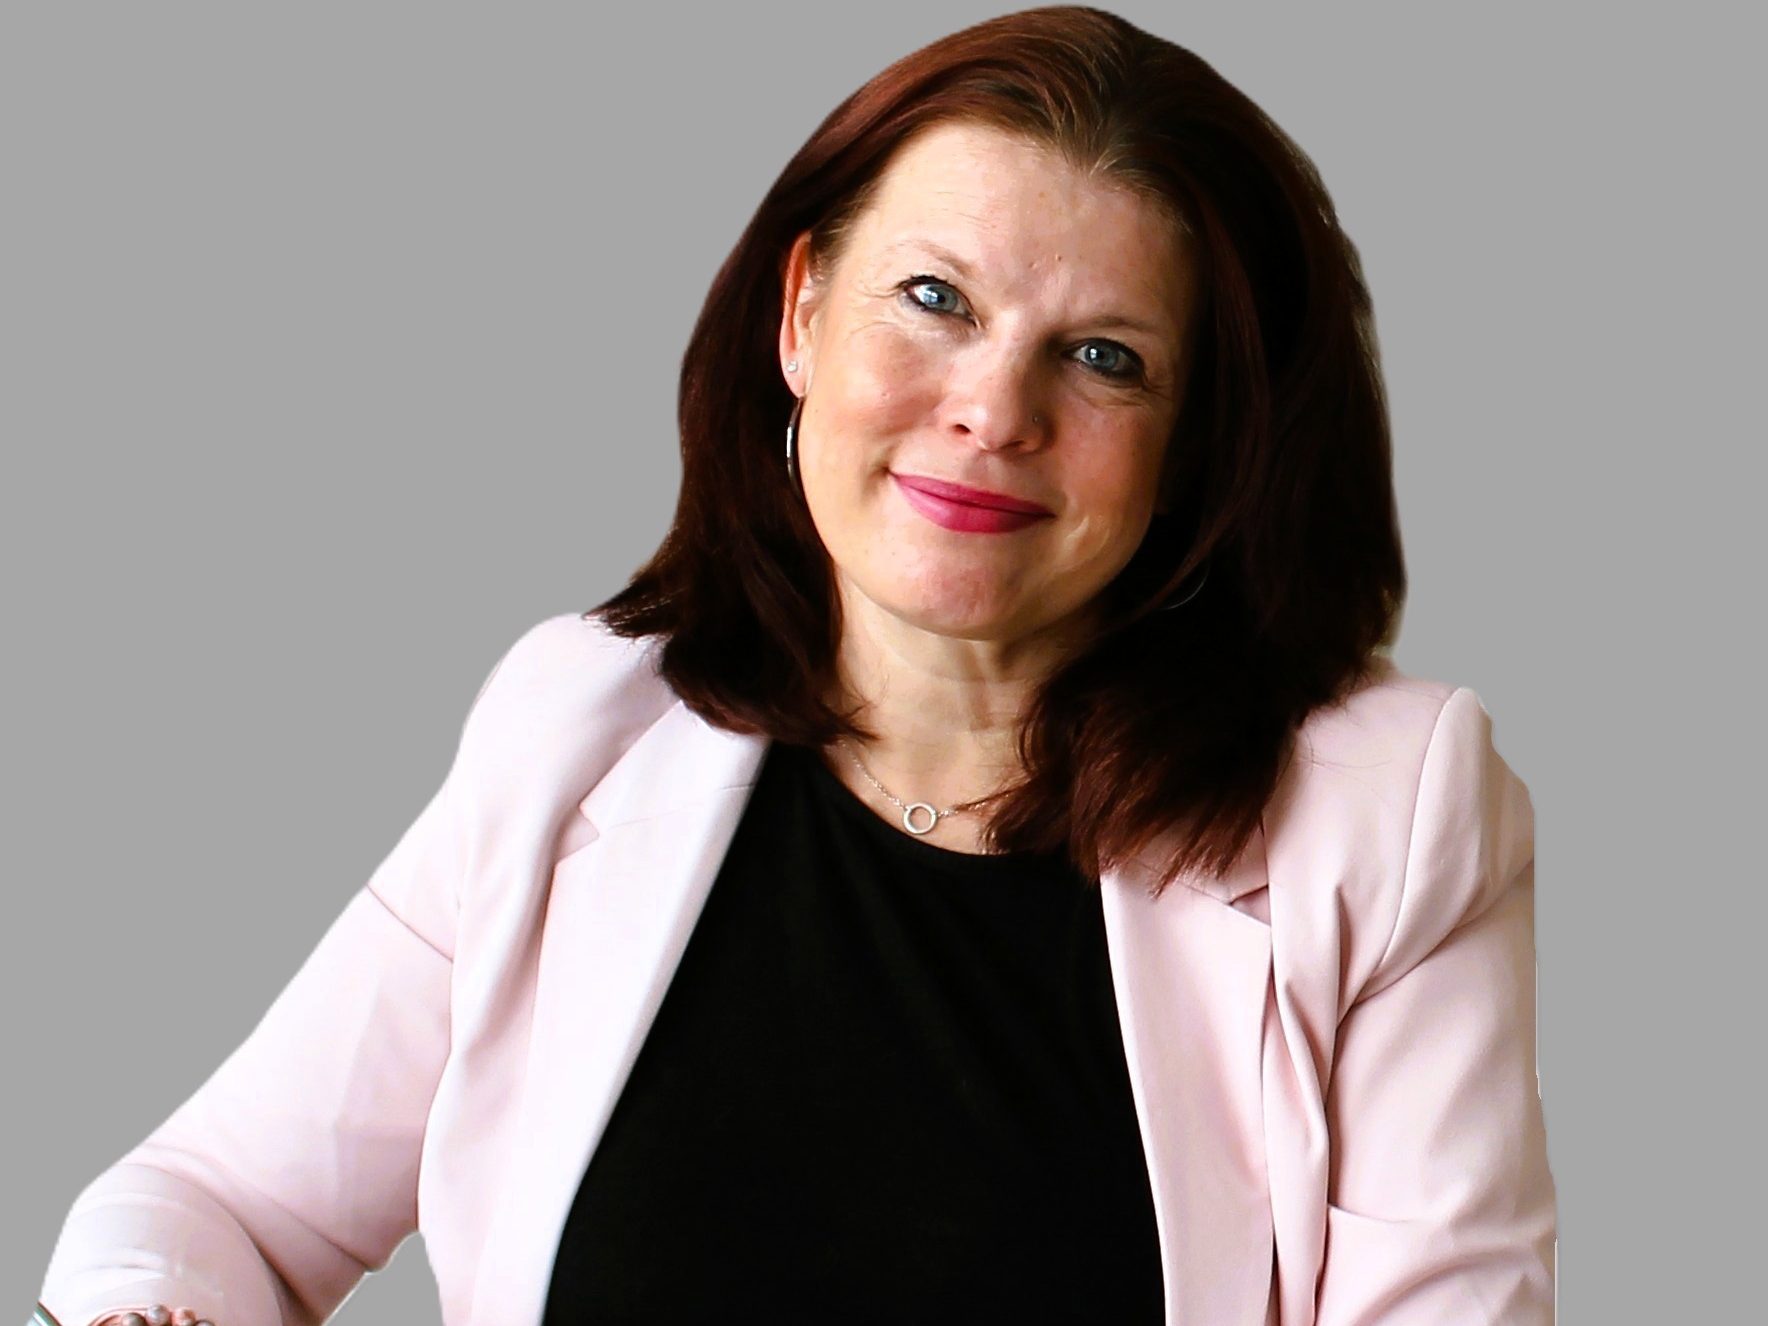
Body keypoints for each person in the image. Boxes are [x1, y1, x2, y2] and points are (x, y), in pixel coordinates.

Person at [32, 6, 1554, 1324]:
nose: (992, 410)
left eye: (1104, 357)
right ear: (804, 313)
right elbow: (214, 1203)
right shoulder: (580, 723)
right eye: (936, 299)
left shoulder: (1383, 818)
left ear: (1202, 442)